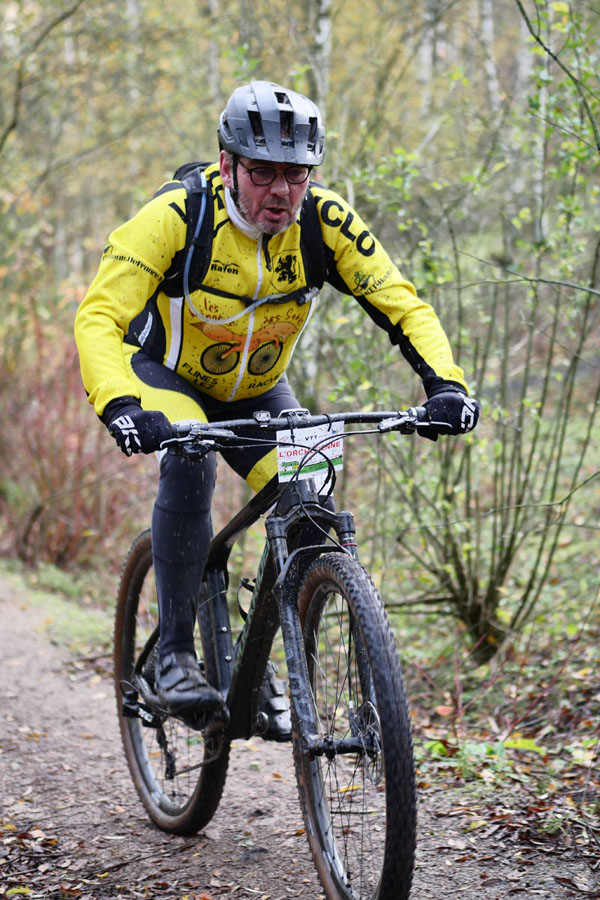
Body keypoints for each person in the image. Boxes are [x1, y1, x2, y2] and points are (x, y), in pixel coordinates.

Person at [74, 80, 479, 736]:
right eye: (262, 172)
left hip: (259, 390)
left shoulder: (325, 222)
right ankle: (175, 655)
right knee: (192, 455)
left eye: (296, 174)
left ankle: (269, 668)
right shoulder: (180, 216)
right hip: (163, 375)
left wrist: (447, 386)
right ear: (228, 165)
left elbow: (403, 304)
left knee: (311, 500)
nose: (281, 191)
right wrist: (119, 403)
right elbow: (99, 315)